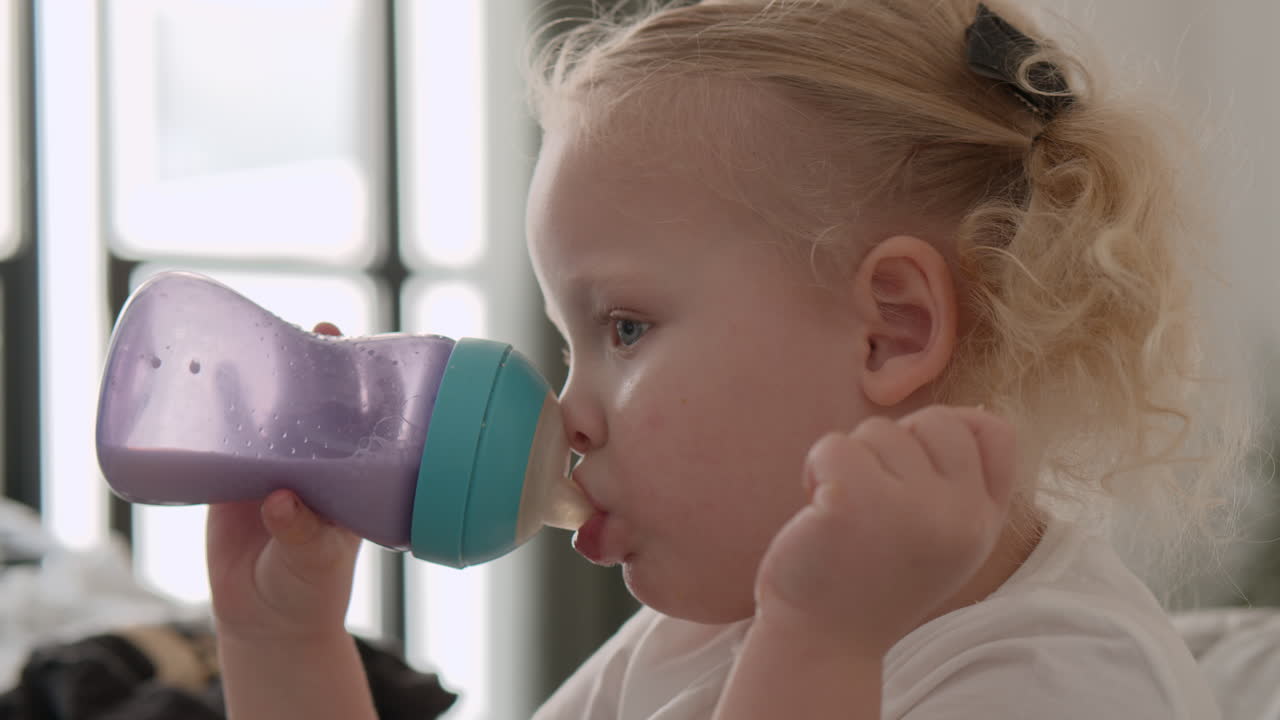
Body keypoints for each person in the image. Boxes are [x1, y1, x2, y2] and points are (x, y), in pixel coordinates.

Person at [203, 1, 1256, 718]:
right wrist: (283, 647)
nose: (568, 413)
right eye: (572, 343)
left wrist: (821, 645)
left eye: (623, 328)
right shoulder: (699, 632)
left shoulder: (1054, 679)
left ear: (887, 330)